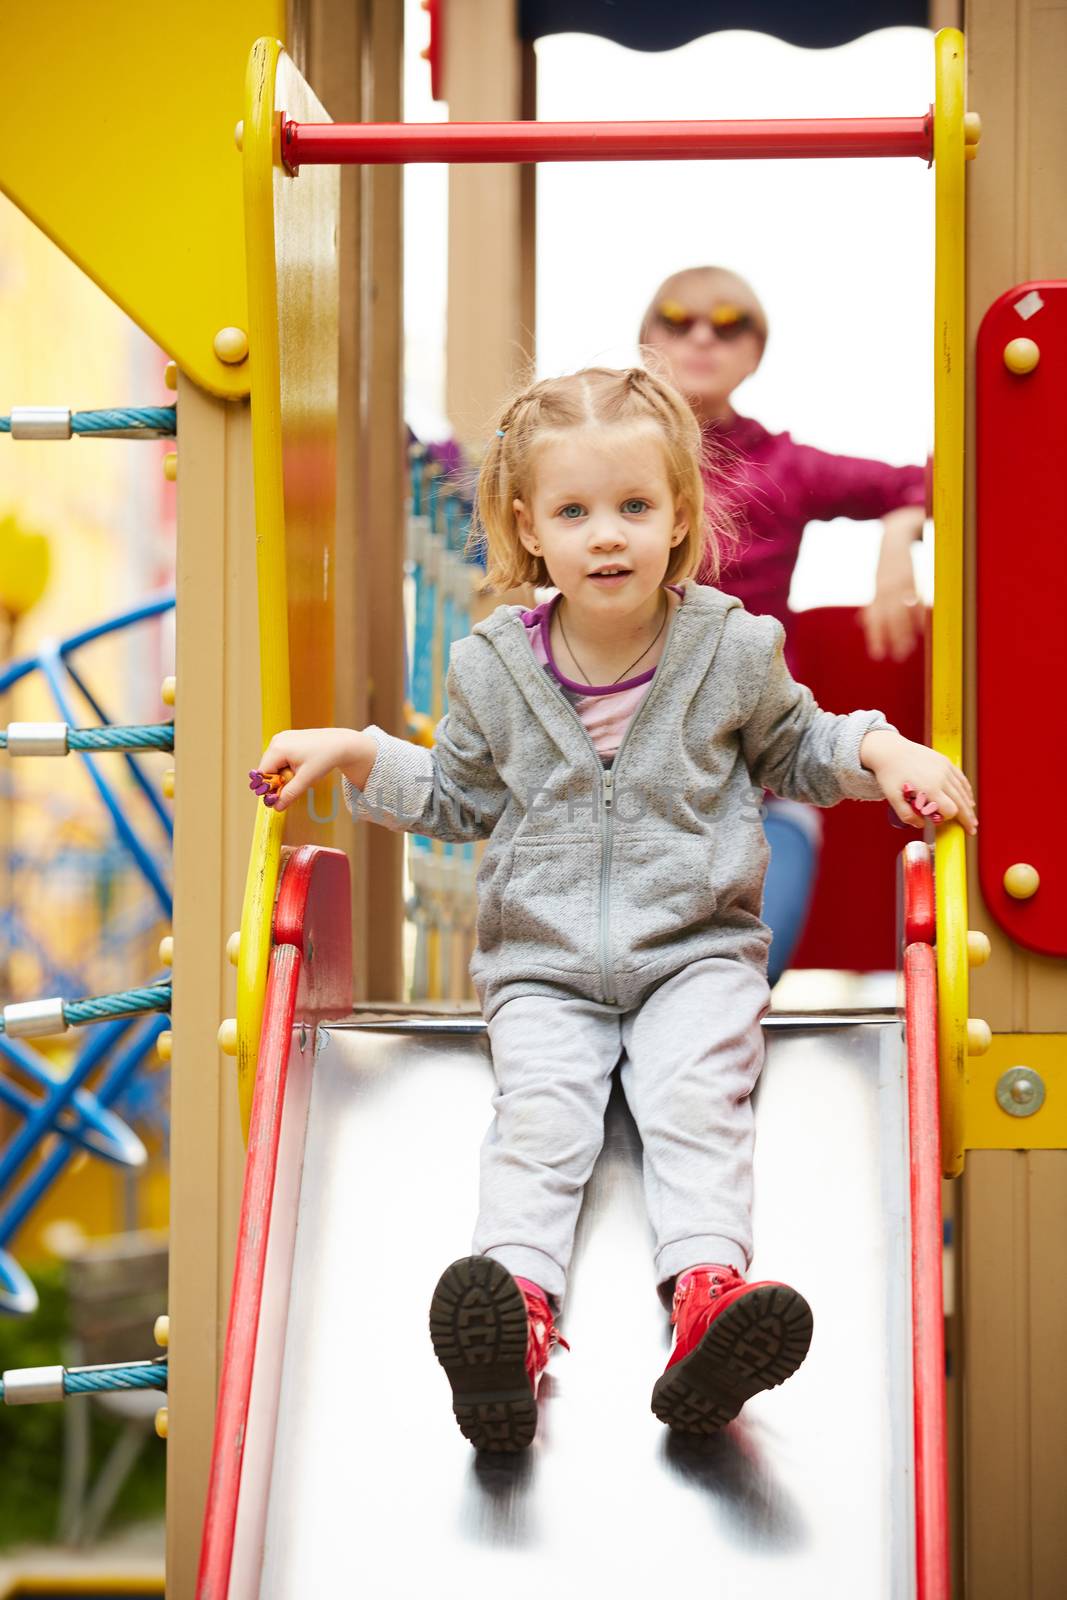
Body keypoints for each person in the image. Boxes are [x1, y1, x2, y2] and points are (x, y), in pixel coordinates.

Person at [251, 367, 975, 1453]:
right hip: (541, 964)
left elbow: (800, 743)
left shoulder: (728, 647)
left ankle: (705, 1301)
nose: (606, 536)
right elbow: (457, 793)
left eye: (633, 507)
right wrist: (355, 752)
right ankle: (516, 1316)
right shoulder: (491, 664)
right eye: (574, 511)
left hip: (694, 952)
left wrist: (885, 747)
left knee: (695, 1102)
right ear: (526, 528)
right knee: (540, 1119)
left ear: (679, 515)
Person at [641, 266, 929, 980]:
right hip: (632, 788)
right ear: (646, 341)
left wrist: (897, 539)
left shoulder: (782, 466)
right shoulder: (612, 460)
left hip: (758, 784)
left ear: (754, 353)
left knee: (741, 973)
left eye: (729, 324)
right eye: (677, 319)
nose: (703, 335)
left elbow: (925, 477)